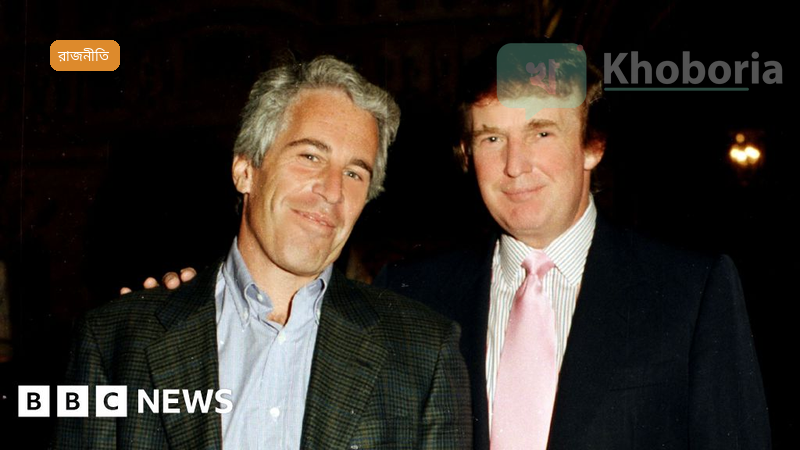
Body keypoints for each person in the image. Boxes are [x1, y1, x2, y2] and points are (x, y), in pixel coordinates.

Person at [142, 44, 772, 449]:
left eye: (541, 132)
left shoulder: (689, 293)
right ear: (468, 154)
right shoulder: (412, 293)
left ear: (592, 146)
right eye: (492, 138)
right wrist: (188, 305)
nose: (515, 165)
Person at [54, 56, 472, 450]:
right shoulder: (114, 341)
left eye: (353, 172)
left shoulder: (424, 352)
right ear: (245, 171)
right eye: (310, 156)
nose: (333, 191)